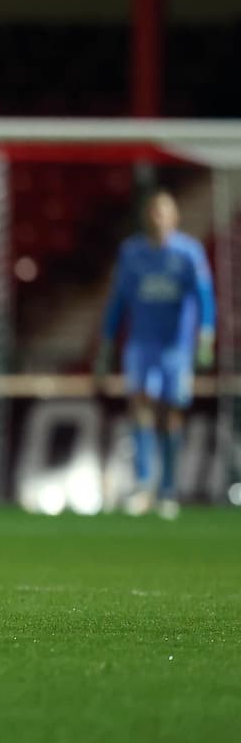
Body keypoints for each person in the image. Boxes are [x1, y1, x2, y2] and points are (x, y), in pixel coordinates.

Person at [95, 188, 216, 519]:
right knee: (141, 407)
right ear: (146, 217)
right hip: (141, 344)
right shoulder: (131, 253)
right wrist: (106, 344)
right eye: (153, 212)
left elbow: (205, 297)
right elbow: (117, 301)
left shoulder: (189, 254)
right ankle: (143, 485)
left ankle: (168, 489)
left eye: (164, 212)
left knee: (169, 415)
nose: (158, 218)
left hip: (176, 348)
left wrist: (206, 336)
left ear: (174, 218)